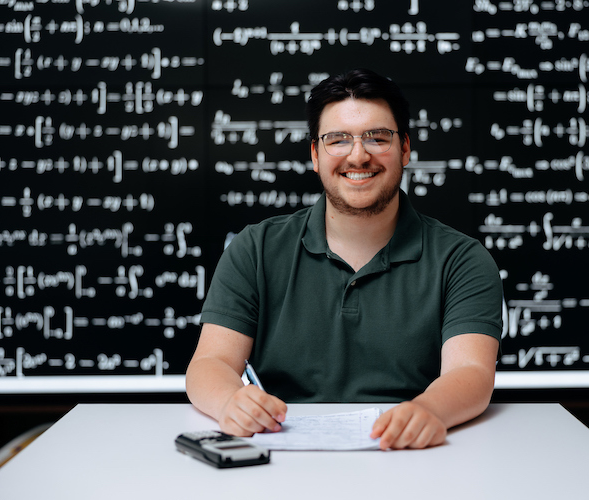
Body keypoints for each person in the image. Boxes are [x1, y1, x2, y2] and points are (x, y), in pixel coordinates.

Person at [186, 68, 502, 450]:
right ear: (316, 155)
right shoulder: (255, 248)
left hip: (410, 453)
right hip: (280, 454)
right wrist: (229, 401)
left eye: (377, 137)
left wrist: (429, 410)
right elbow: (209, 364)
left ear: (405, 148)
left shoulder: (462, 260)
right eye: (338, 140)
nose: (358, 155)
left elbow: (472, 372)